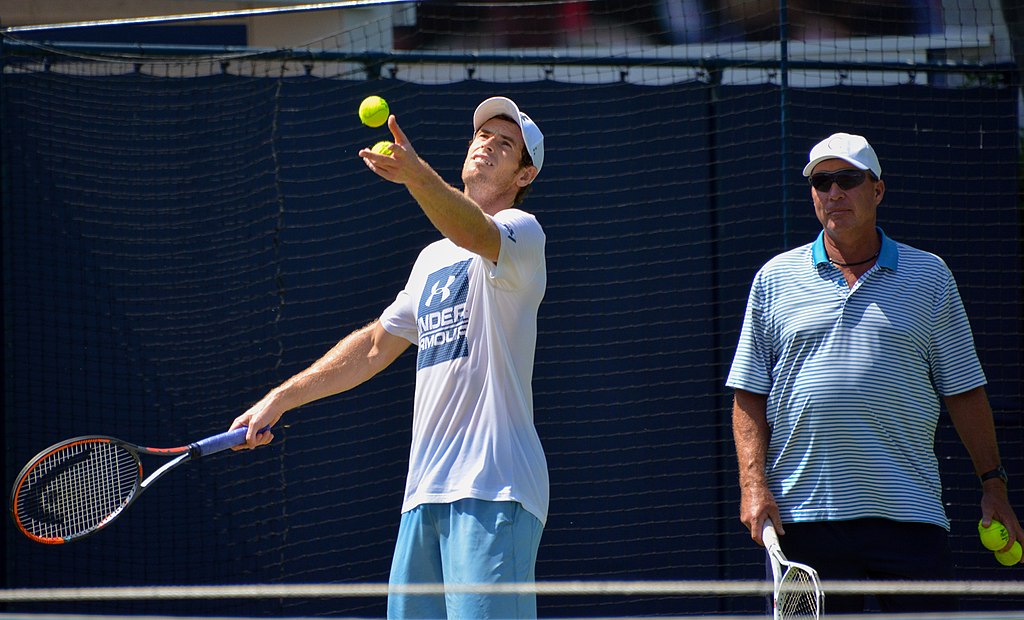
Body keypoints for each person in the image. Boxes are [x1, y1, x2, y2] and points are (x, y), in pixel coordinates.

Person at [230, 96, 549, 620]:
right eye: (482, 137)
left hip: (495, 488)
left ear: (524, 174)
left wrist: (415, 175)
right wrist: (280, 398)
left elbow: (474, 231)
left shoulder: (523, 232)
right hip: (423, 495)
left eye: (505, 144)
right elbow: (376, 344)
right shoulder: (431, 259)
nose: (486, 146)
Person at [726, 132, 1022, 613]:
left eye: (848, 179)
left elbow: (965, 392)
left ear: (877, 190)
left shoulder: (930, 276)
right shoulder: (774, 279)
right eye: (822, 182)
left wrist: (994, 485)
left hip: (909, 515)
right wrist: (753, 486)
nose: (834, 193)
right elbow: (748, 394)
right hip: (804, 518)